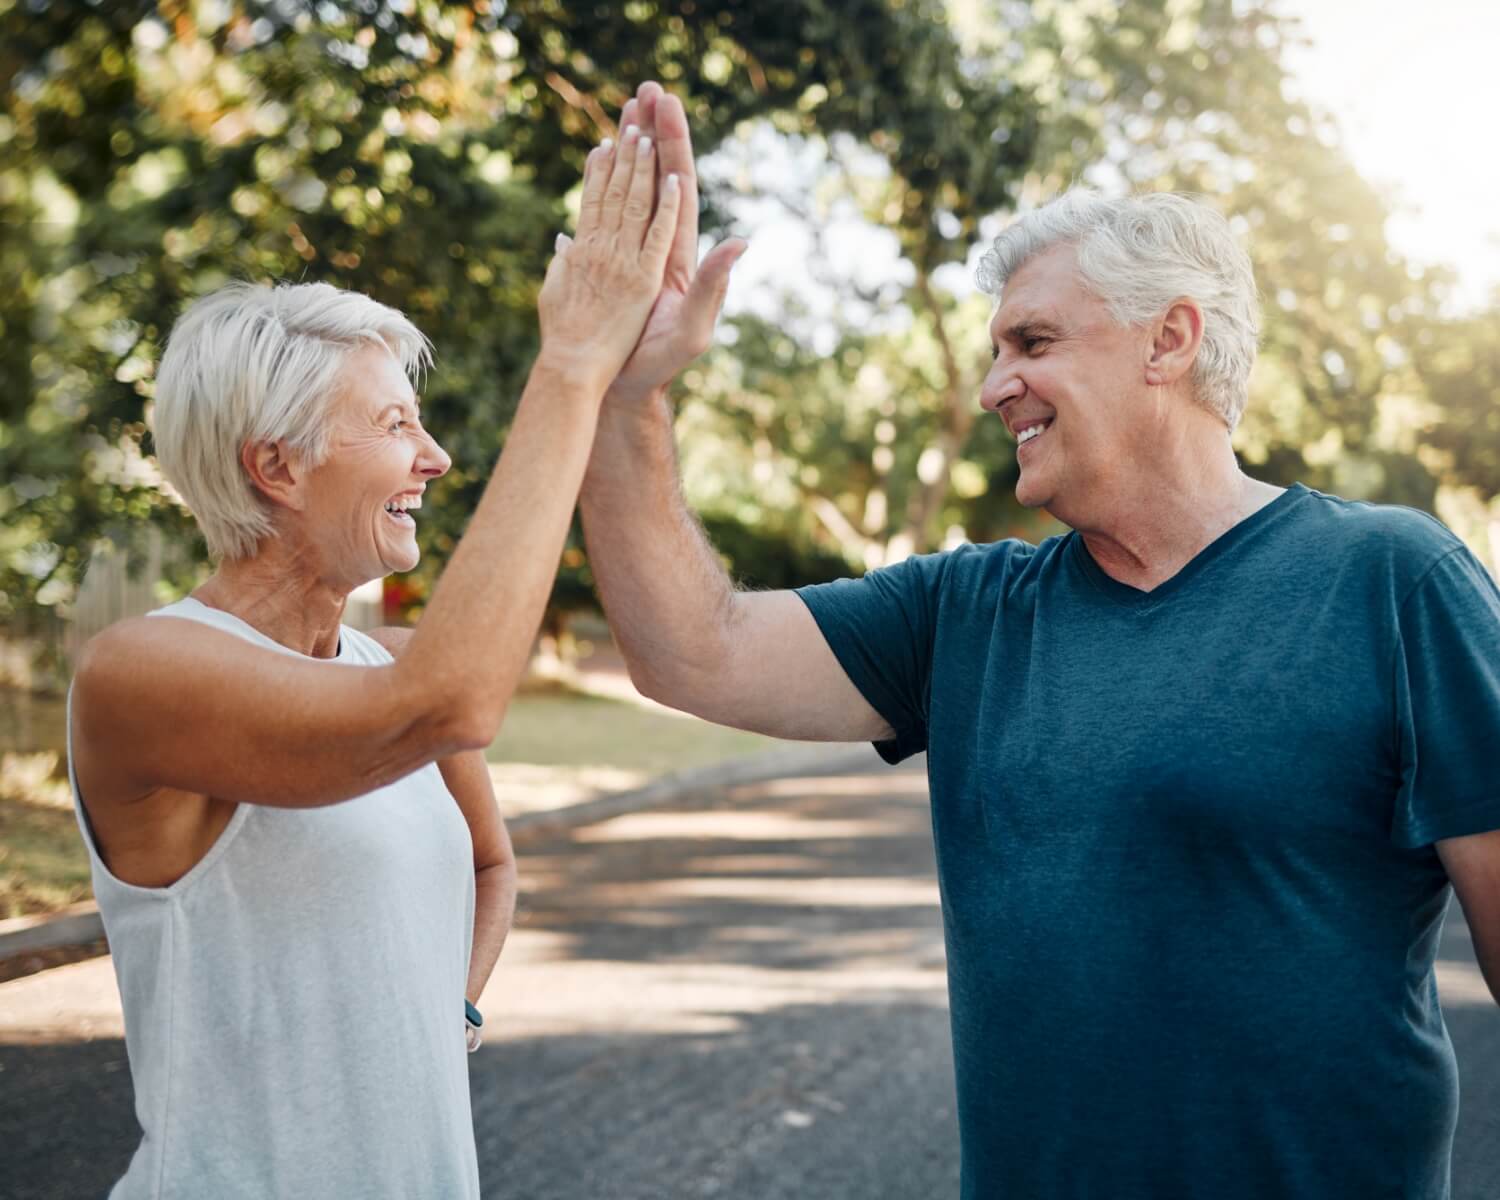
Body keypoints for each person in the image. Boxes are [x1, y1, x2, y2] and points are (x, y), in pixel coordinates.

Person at [579, 82, 1500, 1198]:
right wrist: (625, 396)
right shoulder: (965, 611)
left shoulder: (1394, 581)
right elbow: (692, 650)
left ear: (1169, 340)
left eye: (1034, 341)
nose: (992, 386)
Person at [67, 128, 681, 1196]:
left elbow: (490, 866)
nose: (433, 457)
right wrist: (572, 363)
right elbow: (451, 702)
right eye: (397, 424)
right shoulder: (141, 674)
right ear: (277, 466)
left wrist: (449, 1011)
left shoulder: (385, 658)